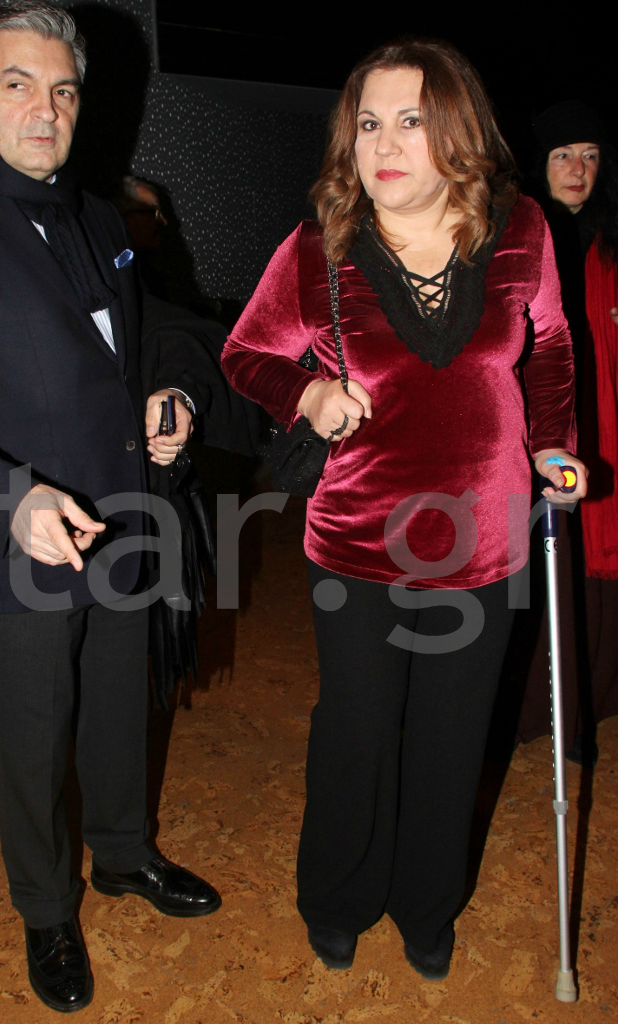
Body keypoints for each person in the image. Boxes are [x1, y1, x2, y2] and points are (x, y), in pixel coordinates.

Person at [0, 2, 221, 1013]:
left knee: (117, 705)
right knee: (33, 737)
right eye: (19, 84)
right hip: (11, 535)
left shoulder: (101, 217)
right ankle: (46, 910)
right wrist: (7, 497)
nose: (46, 110)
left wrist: (168, 398)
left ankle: (123, 855)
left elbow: (135, 341)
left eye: (63, 90)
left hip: (120, 512)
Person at [222, 38, 587, 980]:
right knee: (356, 729)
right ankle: (338, 896)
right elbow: (245, 354)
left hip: (488, 538)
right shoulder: (320, 248)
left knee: (452, 740)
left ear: (458, 130)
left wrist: (553, 441)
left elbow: (550, 343)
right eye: (369, 123)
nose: (383, 144)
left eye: (411, 121)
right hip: (356, 540)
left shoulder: (522, 231)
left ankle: (429, 906)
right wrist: (306, 394)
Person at [515, 102, 618, 761]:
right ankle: (522, 706)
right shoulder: (518, 234)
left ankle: (578, 708)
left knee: (585, 560)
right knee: (530, 558)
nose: (577, 168)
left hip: (600, 416)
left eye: (590, 155)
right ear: (541, 165)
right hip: (530, 420)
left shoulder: (611, 238)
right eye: (562, 155)